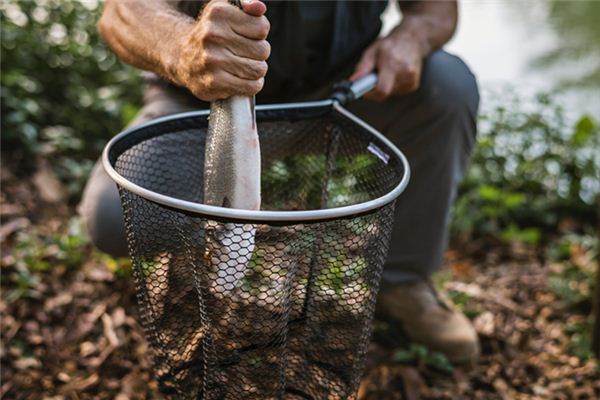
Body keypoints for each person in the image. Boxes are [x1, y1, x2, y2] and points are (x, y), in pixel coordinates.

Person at [82, 0, 480, 364]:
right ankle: (192, 252)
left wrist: (410, 37)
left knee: (447, 85)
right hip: (203, 100)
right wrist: (183, 47)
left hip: (343, 92)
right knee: (114, 216)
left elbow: (436, 9)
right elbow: (121, 12)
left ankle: (404, 284)